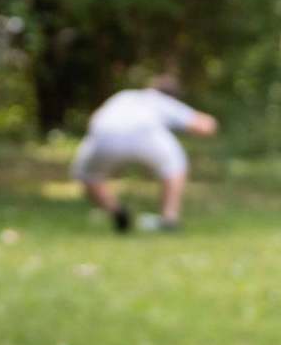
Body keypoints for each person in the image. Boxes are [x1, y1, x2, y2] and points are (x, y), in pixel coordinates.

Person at [71, 75, 219, 232]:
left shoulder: (125, 95)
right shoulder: (161, 100)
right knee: (177, 165)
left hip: (102, 135)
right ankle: (169, 219)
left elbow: (93, 119)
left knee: (87, 175)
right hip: (144, 134)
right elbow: (206, 126)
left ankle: (116, 211)